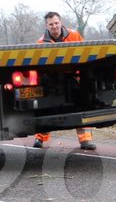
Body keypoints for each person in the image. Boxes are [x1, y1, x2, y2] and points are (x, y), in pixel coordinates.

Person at [33, 11, 96, 150]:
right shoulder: (41, 42)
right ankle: (39, 138)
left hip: (73, 77)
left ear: (60, 23)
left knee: (81, 106)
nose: (54, 26)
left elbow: (86, 54)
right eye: (51, 24)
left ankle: (85, 140)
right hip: (52, 80)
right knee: (48, 108)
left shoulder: (74, 35)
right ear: (46, 26)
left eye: (56, 23)